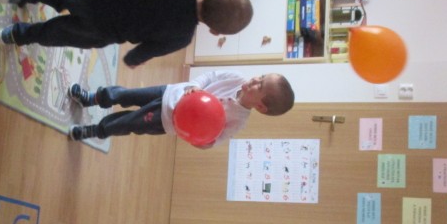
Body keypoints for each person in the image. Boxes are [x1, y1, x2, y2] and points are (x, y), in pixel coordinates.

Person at [0, 0, 252, 67]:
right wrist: (132, 60)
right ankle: (15, 35)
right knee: (57, 34)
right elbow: (144, 51)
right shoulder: (182, 37)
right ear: (215, 31)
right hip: (104, 30)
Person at [66, 70, 294, 143]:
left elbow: (214, 140)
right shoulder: (236, 78)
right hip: (170, 92)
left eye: (260, 85)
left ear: (261, 107)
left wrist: (200, 140)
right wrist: (195, 86)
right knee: (126, 95)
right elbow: (210, 76)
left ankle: (96, 130)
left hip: (167, 120)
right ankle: (92, 98)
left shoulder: (238, 121)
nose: (255, 80)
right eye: (260, 76)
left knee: (128, 123)